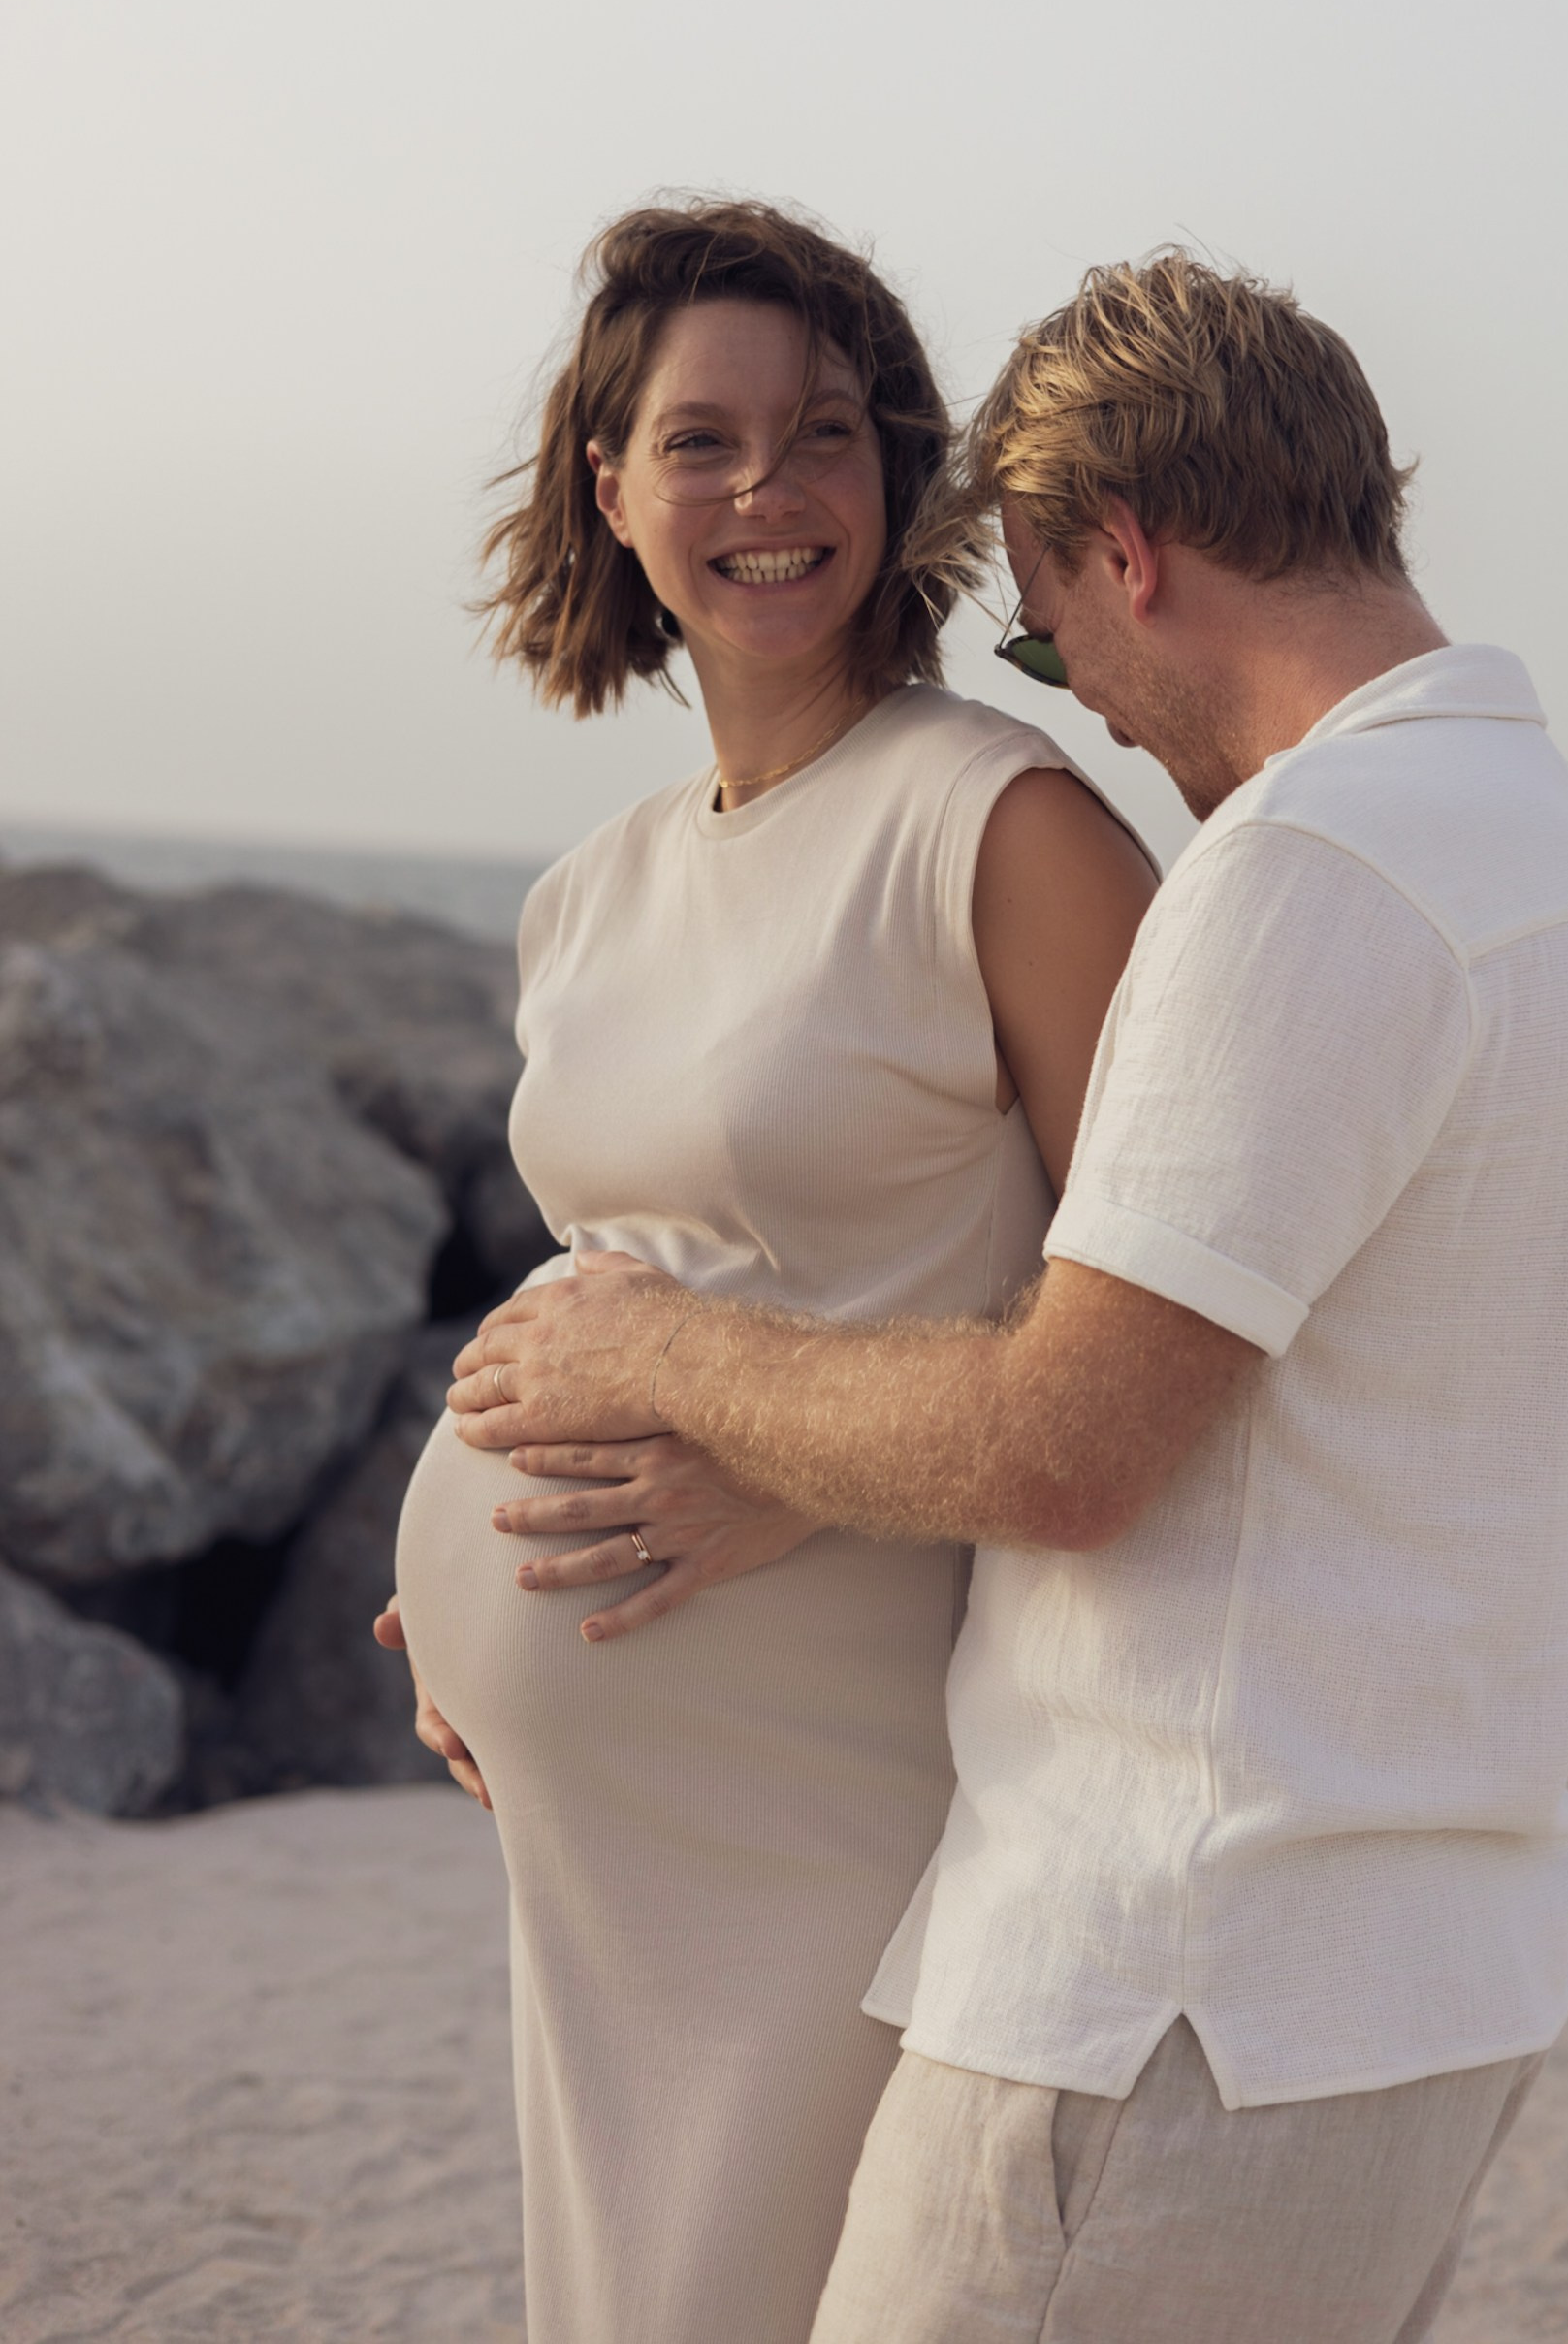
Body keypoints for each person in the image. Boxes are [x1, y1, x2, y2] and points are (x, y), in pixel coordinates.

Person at [449, 248, 1568, 2344]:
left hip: (1175, 1984)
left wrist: (648, 1356)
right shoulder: (1535, 844)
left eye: (1044, 623)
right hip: (1359, 1972)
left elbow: (1064, 1438)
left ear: (1126, 553)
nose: (1075, 691)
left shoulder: (1306, 873)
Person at [380, 199, 1155, 2344]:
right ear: (608, 489)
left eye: (821, 433)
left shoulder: (1002, 827)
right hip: (603, 1813)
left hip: (837, 1772)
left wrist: (812, 1476)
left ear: (897, 476)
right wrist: (441, 1553)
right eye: (699, 441)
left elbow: (1173, 1331)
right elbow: (629, 1275)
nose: (766, 490)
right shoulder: (588, 894)